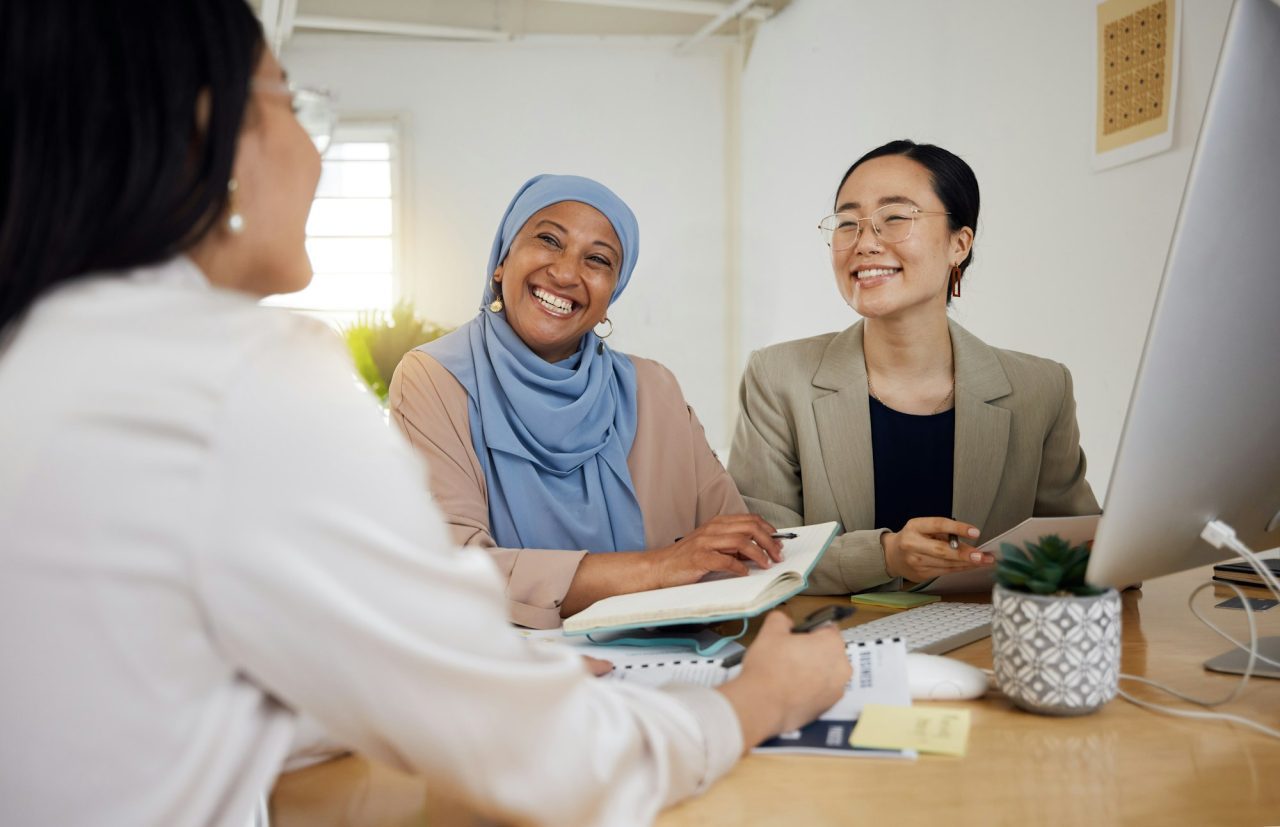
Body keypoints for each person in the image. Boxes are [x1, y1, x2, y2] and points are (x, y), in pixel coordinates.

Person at [0, 3, 851, 825]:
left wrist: (471, 674)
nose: (313, 144)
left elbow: (174, 681)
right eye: (294, 102)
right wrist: (759, 699)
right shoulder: (248, 375)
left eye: (600, 259)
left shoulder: (43, 356)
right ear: (206, 133)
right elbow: (550, 763)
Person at [391, 175, 784, 628]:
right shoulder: (434, 379)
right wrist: (660, 567)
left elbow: (731, 541)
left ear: (611, 294)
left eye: (597, 259)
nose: (564, 273)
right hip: (511, 674)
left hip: (668, 661)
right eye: (548, 240)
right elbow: (451, 570)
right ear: (501, 261)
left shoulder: (652, 388)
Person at [728, 140, 1099, 594]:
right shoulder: (778, 377)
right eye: (848, 224)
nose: (865, 243)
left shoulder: (1041, 388)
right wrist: (886, 556)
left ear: (959, 244)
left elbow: (1082, 547)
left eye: (896, 218)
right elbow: (766, 555)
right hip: (834, 644)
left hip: (987, 648)